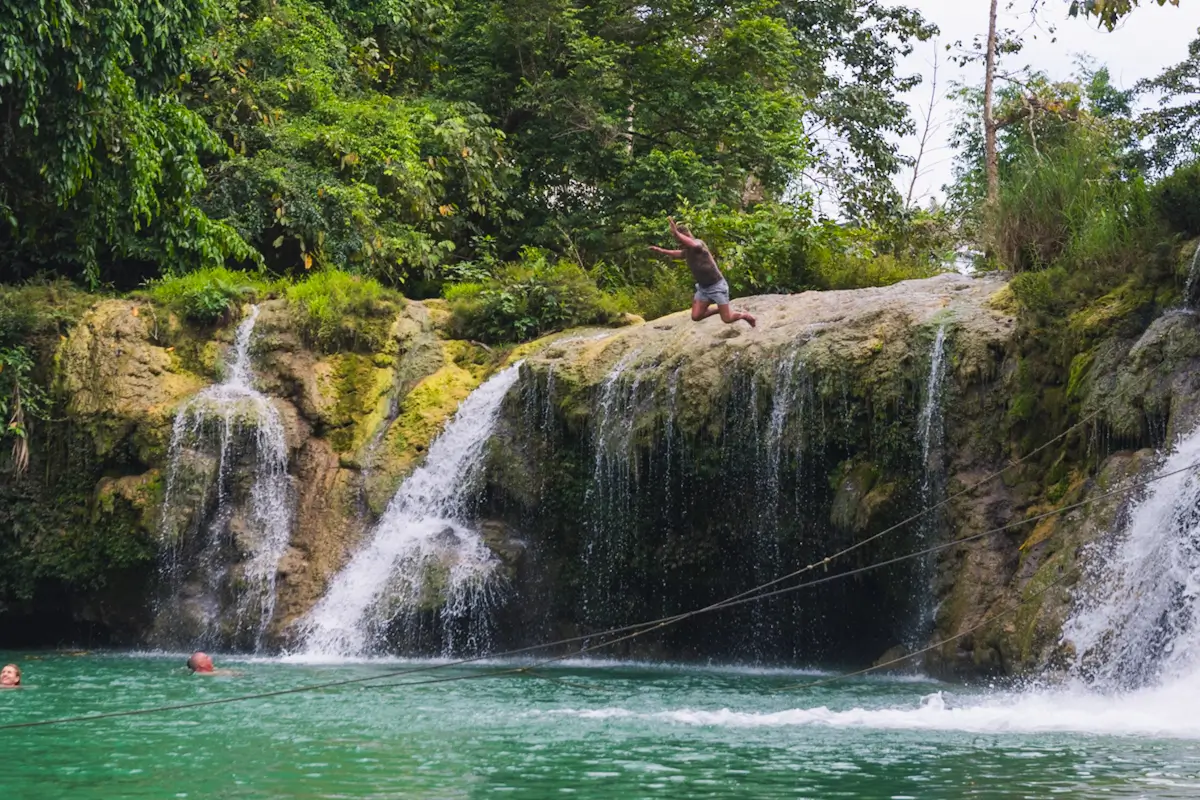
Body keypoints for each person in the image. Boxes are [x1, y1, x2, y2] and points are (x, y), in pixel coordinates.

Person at [649, 217, 756, 328]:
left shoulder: (698, 244)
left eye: (680, 242)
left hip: (717, 286)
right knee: (696, 316)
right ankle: (719, 309)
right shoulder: (687, 251)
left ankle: (744, 315)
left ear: (686, 237)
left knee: (727, 319)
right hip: (704, 288)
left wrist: (676, 233)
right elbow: (677, 253)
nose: (679, 245)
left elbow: (694, 245)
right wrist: (661, 250)